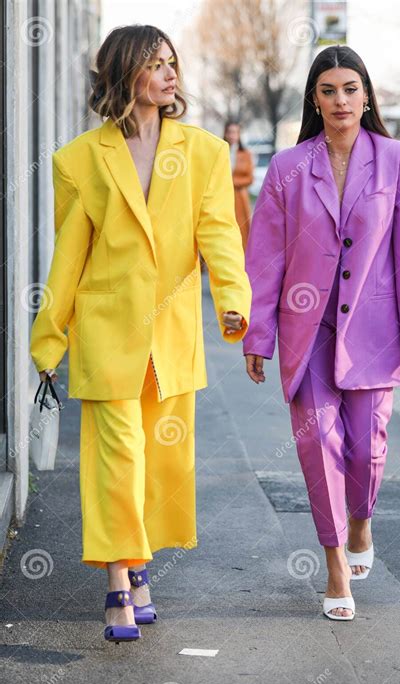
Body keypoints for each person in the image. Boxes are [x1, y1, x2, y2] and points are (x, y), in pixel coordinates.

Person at [29, 24, 251, 643]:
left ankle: (140, 565)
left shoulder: (205, 153)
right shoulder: (78, 161)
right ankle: (118, 584)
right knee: (117, 461)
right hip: (107, 333)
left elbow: (219, 238)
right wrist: (49, 339)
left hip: (172, 337)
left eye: (172, 62)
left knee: (159, 464)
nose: (170, 73)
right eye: (156, 63)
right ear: (127, 73)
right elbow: (68, 256)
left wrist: (233, 302)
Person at [242, 45, 400, 622]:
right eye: (329, 91)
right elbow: (266, 257)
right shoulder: (287, 168)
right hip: (310, 331)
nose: (340, 100)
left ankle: (360, 523)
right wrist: (259, 334)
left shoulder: (396, 159)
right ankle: (332, 566)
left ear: (367, 95)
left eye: (350, 89)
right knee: (316, 446)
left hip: (375, 332)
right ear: (315, 99)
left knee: (367, 449)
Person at [223, 121, 254, 249]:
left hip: (239, 198)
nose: (232, 135)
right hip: (222, 196)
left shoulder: (245, 154)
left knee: (241, 230)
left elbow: (249, 178)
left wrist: (231, 182)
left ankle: (243, 263)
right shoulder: (220, 150)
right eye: (230, 132)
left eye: (235, 132)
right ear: (225, 133)